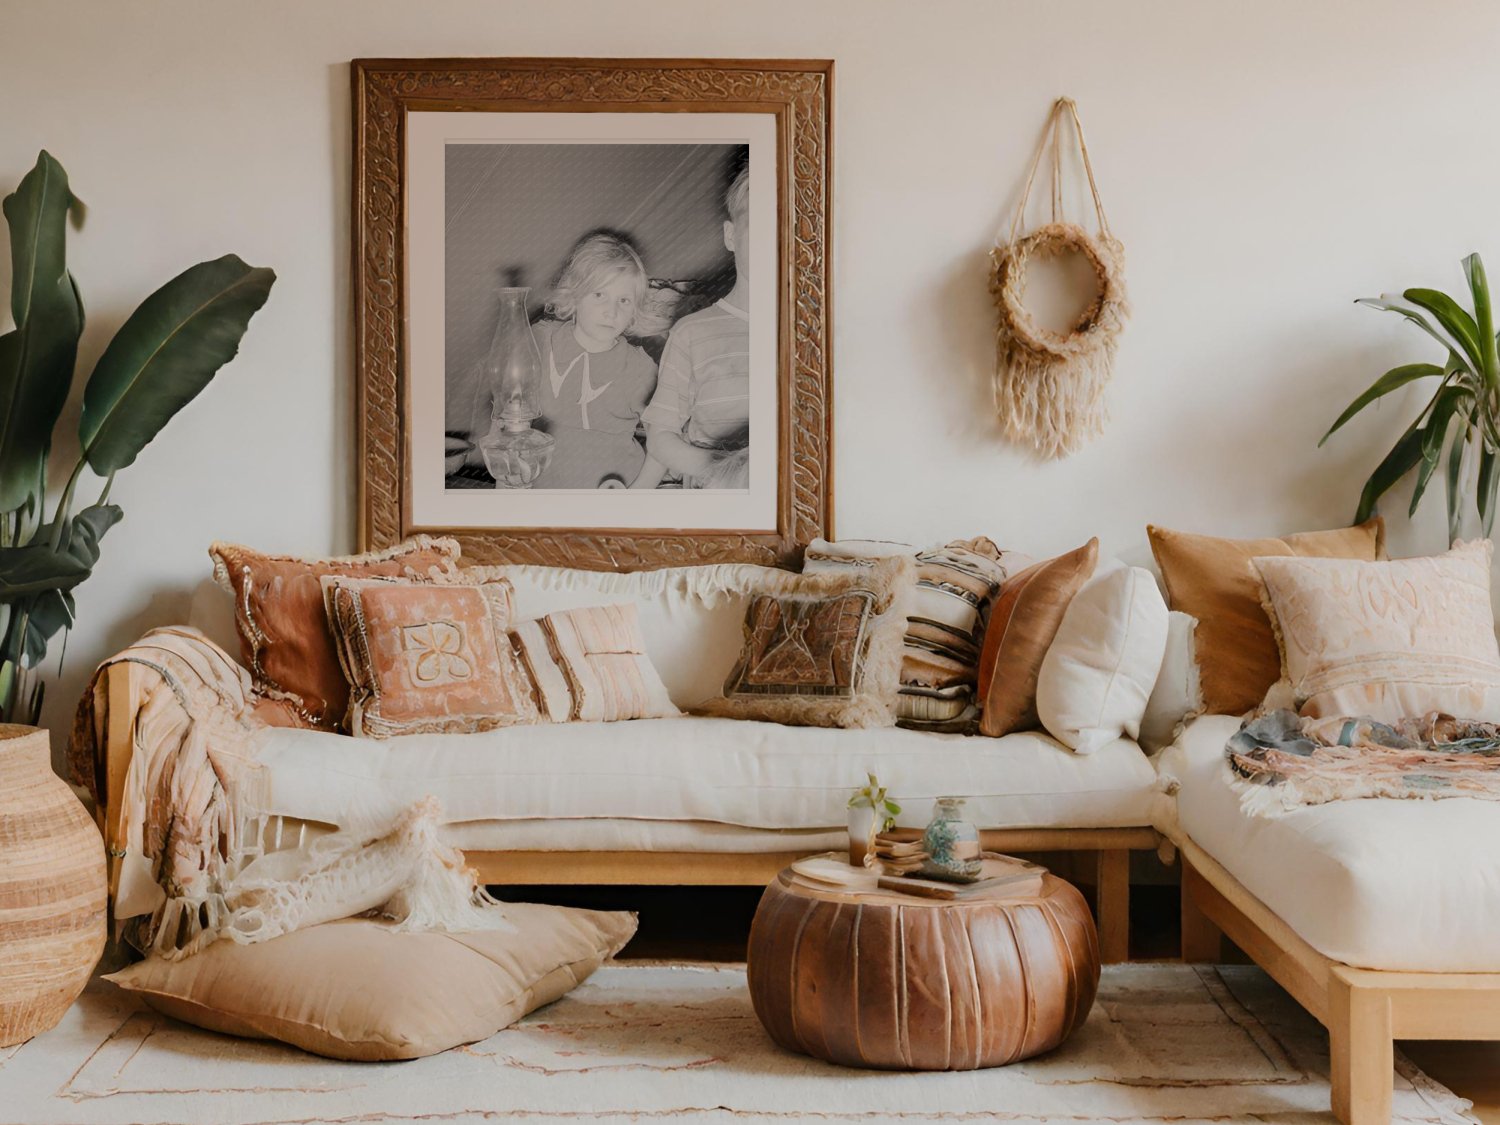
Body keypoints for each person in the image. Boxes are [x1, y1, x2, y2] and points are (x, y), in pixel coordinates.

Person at [525, 232, 665, 490]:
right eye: (599, 295)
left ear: (635, 310)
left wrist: (637, 495)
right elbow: (508, 413)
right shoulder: (541, 339)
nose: (611, 311)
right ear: (576, 294)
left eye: (624, 301)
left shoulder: (640, 368)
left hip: (614, 495)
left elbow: (664, 442)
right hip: (545, 495)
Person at [643, 164, 750, 489]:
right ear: (731, 236)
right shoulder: (692, 332)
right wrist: (725, 471)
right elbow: (660, 436)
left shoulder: (811, 330)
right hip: (719, 499)